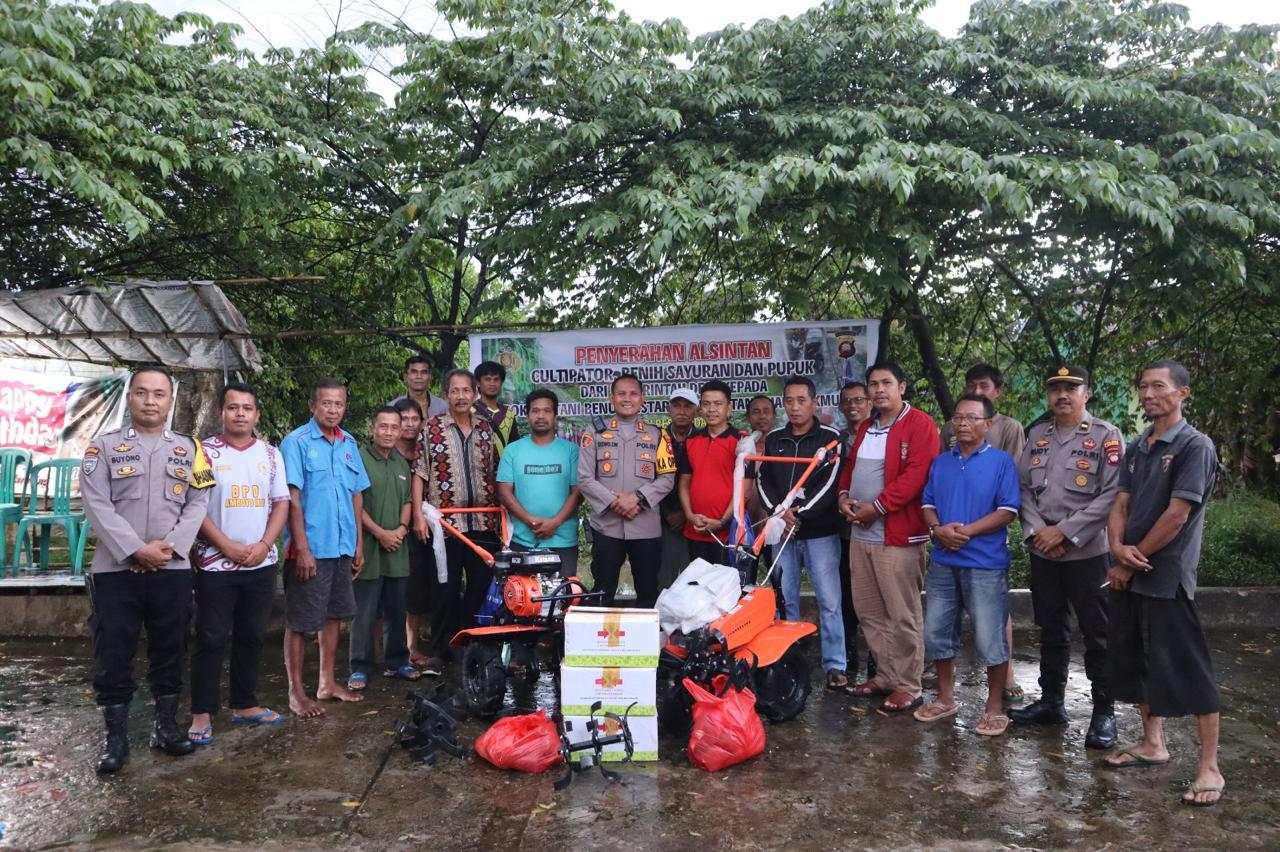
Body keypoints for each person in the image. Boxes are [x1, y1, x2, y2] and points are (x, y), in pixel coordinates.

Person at [1100, 360, 1225, 808]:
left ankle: (1210, 767)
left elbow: (1178, 515)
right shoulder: (1138, 446)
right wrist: (1116, 547)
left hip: (1166, 577)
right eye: (1143, 386)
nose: (1148, 393)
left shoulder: (1195, 445)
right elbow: (1120, 503)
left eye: (1158, 386)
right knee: (1136, 661)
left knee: (1189, 670)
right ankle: (1153, 744)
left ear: (1182, 394)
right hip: (1127, 573)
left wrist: (1132, 562)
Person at [80, 364, 215, 772]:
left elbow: (198, 503)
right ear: (130, 397)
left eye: (159, 394)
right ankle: (115, 740)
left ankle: (165, 728)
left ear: (170, 401)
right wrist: (136, 550)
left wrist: (166, 550)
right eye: (142, 393)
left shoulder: (192, 449)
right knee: (113, 653)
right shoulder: (101, 448)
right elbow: (96, 504)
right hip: (115, 571)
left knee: (170, 649)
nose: (151, 401)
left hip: (170, 571)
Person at [1010, 366, 1123, 750]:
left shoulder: (1106, 436)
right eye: (1055, 388)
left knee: (1099, 632)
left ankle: (1104, 712)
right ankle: (1051, 702)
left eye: (1070, 389)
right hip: (1044, 550)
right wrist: (1039, 532)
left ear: (1086, 395)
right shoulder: (1037, 435)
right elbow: (1023, 489)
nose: (1062, 395)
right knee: (1050, 628)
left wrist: (1066, 532)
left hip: (1088, 552)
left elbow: (1111, 495)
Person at [188, 382, 290, 747]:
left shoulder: (271, 454)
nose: (241, 414)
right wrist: (226, 546)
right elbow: (195, 507)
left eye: (247, 408)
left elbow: (281, 503)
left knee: (251, 635)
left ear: (257, 414)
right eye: (233, 407)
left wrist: (265, 545)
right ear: (222, 413)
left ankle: (244, 703)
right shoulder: (204, 452)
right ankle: (202, 712)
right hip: (216, 564)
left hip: (261, 564)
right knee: (211, 637)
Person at [915, 394, 1021, 736]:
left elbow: (1008, 510)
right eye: (958, 417)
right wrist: (937, 530)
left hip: (985, 563)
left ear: (987, 425)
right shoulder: (941, 462)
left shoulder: (1002, 462)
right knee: (937, 632)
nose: (962, 424)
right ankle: (945, 698)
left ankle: (993, 707)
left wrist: (967, 532)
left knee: (990, 637)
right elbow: (927, 502)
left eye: (971, 418)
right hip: (944, 561)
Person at [839, 362, 940, 713]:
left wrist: (877, 507)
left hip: (897, 535)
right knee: (870, 611)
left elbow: (917, 476)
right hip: (861, 534)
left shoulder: (920, 424)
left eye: (886, 383)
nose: (879, 389)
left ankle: (910, 685)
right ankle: (885, 676)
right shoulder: (867, 425)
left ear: (903, 387)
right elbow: (850, 467)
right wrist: (843, 497)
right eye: (873, 384)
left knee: (902, 614)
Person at [748, 376, 847, 690]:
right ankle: (787, 660)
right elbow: (762, 480)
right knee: (784, 599)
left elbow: (830, 484)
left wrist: (798, 514)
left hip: (819, 533)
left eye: (801, 400)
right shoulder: (775, 439)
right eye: (789, 401)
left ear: (815, 402)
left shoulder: (831, 438)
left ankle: (835, 665)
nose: (794, 407)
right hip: (782, 534)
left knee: (829, 601)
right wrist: (780, 513)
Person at [936, 363, 1026, 703]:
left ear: (997, 391)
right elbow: (943, 477)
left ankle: (1007, 676)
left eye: (984, 385)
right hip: (948, 538)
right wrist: (941, 528)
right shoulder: (951, 428)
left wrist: (974, 528)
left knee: (992, 615)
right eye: (971, 385)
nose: (977, 390)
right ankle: (945, 689)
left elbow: (1012, 480)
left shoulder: (1009, 428)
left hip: (988, 533)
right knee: (944, 617)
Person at [279, 378, 369, 716]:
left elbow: (356, 494)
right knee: (301, 621)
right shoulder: (297, 442)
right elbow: (291, 498)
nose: (333, 409)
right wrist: (301, 547)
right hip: (311, 549)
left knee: (334, 616)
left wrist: (359, 543)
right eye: (326, 403)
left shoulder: (349, 443)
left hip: (342, 545)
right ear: (312, 405)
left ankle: (327, 682)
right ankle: (295, 692)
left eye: (339, 404)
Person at [411, 369, 499, 675]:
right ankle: (439, 650)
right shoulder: (431, 428)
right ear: (446, 395)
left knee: (478, 587)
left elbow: (495, 473)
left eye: (466, 391)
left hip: (483, 524)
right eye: (454, 391)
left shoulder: (486, 429)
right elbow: (420, 473)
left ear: (475, 395)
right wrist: (418, 518)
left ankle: (467, 645)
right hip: (445, 525)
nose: (461, 396)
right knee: (444, 589)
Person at [577, 373, 676, 607]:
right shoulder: (594, 434)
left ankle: (647, 644)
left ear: (643, 398)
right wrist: (615, 503)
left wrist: (637, 499)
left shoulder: (658, 436)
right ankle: (598, 641)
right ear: (612, 398)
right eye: (621, 394)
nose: (627, 399)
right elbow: (584, 478)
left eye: (633, 393)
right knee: (602, 590)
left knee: (648, 591)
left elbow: (667, 478)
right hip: (607, 527)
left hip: (646, 528)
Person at [350, 406, 419, 690]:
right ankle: (359, 667)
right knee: (364, 611)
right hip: (368, 545)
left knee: (396, 608)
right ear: (372, 429)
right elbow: (357, 504)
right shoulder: (359, 460)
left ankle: (398, 661)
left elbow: (407, 501)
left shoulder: (402, 463)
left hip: (397, 548)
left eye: (394, 427)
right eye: (384, 427)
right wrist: (380, 534)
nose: (389, 432)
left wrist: (402, 530)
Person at [497, 389, 582, 574]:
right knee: (524, 600)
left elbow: (578, 492)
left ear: (555, 415)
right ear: (527, 415)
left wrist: (555, 522)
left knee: (563, 596)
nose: (541, 416)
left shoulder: (572, 451)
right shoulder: (512, 451)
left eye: (547, 411)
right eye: (535, 411)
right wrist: (529, 521)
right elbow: (504, 491)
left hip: (563, 540)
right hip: (523, 541)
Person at [677, 380, 745, 566]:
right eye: (706, 404)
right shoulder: (691, 440)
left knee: (726, 589)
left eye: (718, 404)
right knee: (699, 587)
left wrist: (722, 521)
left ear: (729, 408)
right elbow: (684, 482)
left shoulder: (741, 442)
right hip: (695, 530)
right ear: (700, 409)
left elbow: (745, 488)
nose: (711, 409)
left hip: (727, 531)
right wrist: (690, 516)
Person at [392, 398, 435, 669]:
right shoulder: (384, 451)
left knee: (416, 588)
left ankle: (411, 646)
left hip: (420, 528)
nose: (409, 424)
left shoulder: (425, 452)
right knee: (388, 591)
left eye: (413, 419)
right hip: (387, 527)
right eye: (403, 419)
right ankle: (381, 651)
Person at [837, 380, 873, 679]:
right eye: (847, 401)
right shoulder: (836, 440)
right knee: (846, 599)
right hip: (843, 532)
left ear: (870, 402)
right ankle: (849, 660)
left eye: (859, 400)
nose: (853, 405)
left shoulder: (881, 435)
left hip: (877, 528)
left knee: (876, 600)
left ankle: (879, 663)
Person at [658, 388, 698, 588]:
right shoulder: (657, 439)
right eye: (677, 406)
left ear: (697, 411)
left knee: (696, 580)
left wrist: (685, 513)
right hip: (662, 520)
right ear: (668, 409)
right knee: (665, 581)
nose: (682, 411)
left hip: (696, 519)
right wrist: (667, 514)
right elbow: (649, 480)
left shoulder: (703, 439)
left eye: (687, 406)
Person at [745, 394, 778, 591]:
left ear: (774, 416)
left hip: (774, 527)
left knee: (778, 579)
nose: (761, 417)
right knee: (745, 582)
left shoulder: (782, 446)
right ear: (748, 417)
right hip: (747, 527)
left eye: (766, 412)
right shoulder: (742, 448)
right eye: (756, 412)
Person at [474, 360, 520, 456]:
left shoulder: (508, 413)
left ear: (501, 382)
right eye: (487, 379)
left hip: (502, 468)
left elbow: (514, 446)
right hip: (476, 468)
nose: (492, 383)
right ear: (478, 383)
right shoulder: (470, 410)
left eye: (496, 379)